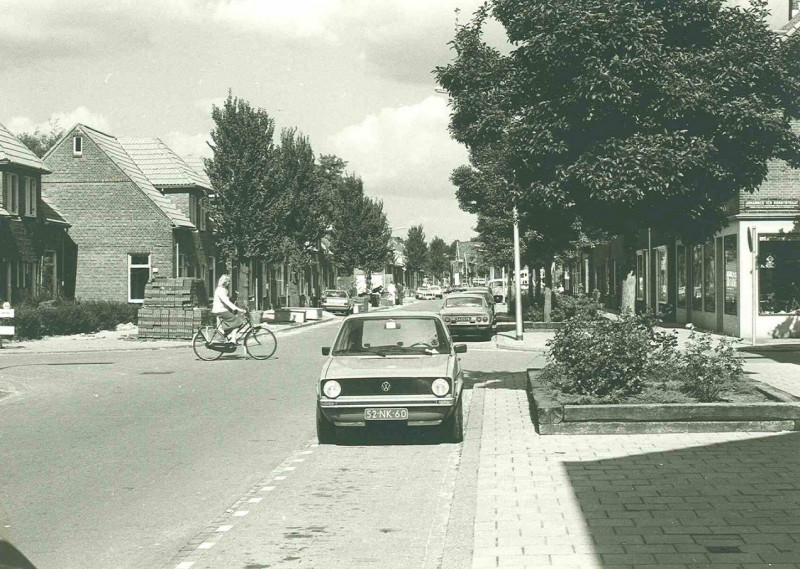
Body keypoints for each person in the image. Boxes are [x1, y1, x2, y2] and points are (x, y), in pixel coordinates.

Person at [212, 274, 244, 343]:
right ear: (225, 282)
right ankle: (233, 340)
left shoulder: (221, 289)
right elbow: (226, 301)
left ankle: (228, 336)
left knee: (228, 324)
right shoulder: (220, 290)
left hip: (219, 310)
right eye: (228, 281)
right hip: (221, 310)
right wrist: (237, 309)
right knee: (238, 322)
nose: (229, 283)